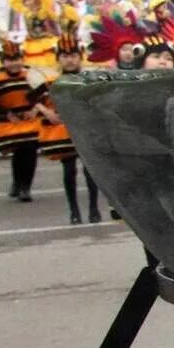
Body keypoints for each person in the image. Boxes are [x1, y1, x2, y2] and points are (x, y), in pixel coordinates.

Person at [36, 30, 101, 224]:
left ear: (80, 57)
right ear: (58, 59)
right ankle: (74, 209)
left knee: (90, 171)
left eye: (73, 56)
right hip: (63, 133)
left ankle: (93, 208)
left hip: (85, 130)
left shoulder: (89, 79)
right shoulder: (51, 82)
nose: (70, 60)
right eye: (65, 56)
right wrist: (46, 112)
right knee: (69, 171)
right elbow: (30, 99)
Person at [0, 41, 46, 202]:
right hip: (10, 122)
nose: (14, 63)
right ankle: (18, 182)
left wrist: (36, 109)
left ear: (22, 59)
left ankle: (26, 187)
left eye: (17, 58)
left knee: (30, 152)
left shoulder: (31, 76)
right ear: (3, 62)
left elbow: (44, 95)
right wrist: (7, 113)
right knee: (19, 152)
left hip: (30, 119)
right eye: (9, 60)